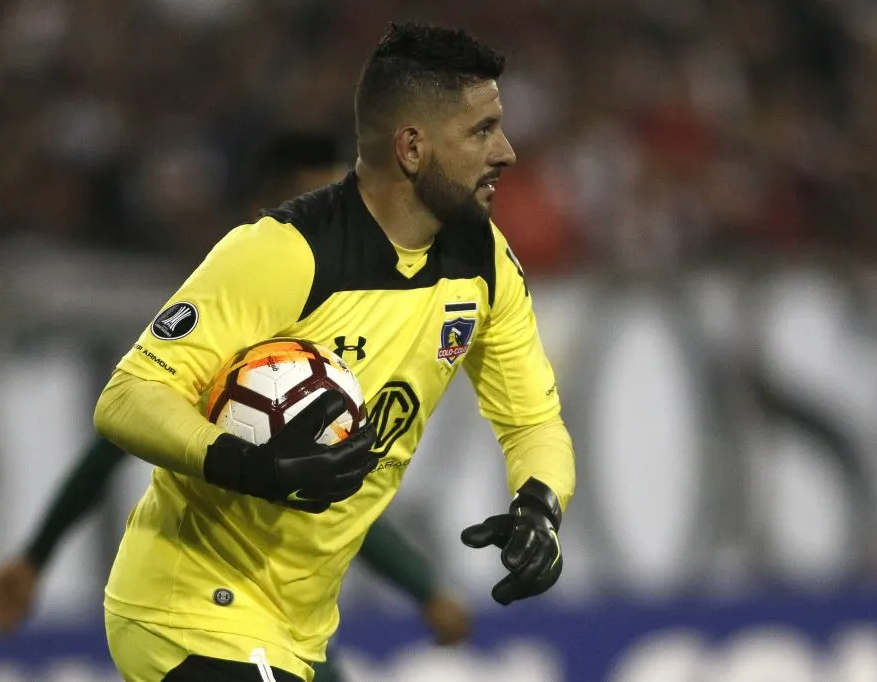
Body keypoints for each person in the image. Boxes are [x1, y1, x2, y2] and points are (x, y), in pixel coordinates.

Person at [94, 22, 576, 682]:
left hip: (300, 630)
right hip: (191, 610)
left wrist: (540, 509)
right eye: (482, 131)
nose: (508, 151)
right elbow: (126, 399)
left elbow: (532, 421)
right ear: (412, 148)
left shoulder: (483, 262)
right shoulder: (283, 253)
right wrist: (256, 466)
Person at [0, 132, 471, 682]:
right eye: (316, 200)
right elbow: (112, 442)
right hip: (209, 604)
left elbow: (334, 489)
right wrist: (36, 555)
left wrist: (423, 588)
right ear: (271, 207)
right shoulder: (238, 315)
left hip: (291, 618)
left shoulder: (348, 322)